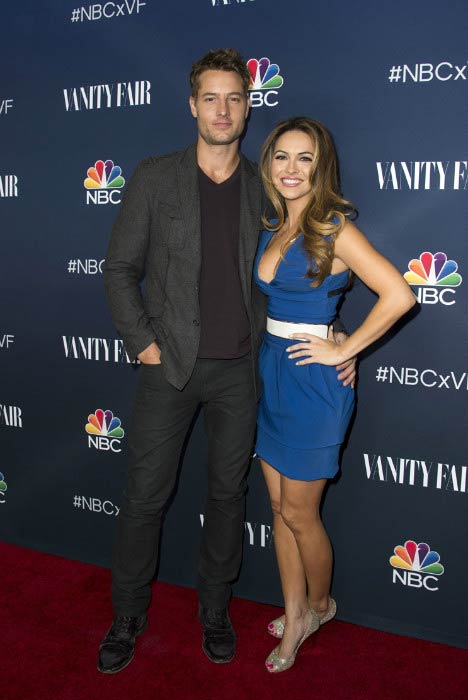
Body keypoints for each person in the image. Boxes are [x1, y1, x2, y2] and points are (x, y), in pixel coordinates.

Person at [98, 51, 355, 674]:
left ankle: (215, 610)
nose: (222, 109)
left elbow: (298, 274)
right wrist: (145, 345)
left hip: (242, 371)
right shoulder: (155, 177)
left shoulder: (263, 190)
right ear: (193, 105)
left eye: (234, 98)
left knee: (228, 496)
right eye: (210, 98)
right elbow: (118, 270)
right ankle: (128, 614)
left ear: (248, 106)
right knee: (144, 499)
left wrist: (336, 334)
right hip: (169, 368)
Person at [254, 117, 416, 673]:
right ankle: (293, 609)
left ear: (321, 167)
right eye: (282, 156)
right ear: (269, 163)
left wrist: (344, 349)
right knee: (277, 507)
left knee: (301, 514)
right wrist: (341, 334)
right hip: (272, 373)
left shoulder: (333, 227)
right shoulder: (274, 224)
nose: (292, 169)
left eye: (305, 158)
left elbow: (399, 293)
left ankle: (320, 607)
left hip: (313, 384)